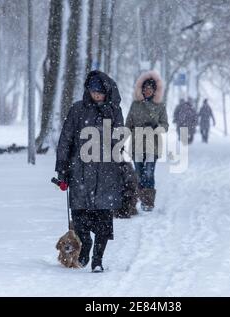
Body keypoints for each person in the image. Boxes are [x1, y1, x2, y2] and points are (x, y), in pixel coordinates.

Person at [55, 71, 124, 273]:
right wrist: (62, 168)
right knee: (80, 218)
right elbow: (66, 139)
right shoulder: (77, 109)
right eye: (93, 92)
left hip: (106, 174)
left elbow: (119, 139)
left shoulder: (114, 111)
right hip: (80, 172)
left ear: (107, 92)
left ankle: (98, 259)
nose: (96, 96)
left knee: (103, 220)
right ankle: (85, 249)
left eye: (100, 93)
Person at [125, 71, 168, 211]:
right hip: (137, 143)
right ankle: (137, 200)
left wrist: (156, 128)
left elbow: (165, 126)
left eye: (150, 89)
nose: (147, 91)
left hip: (152, 144)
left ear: (154, 90)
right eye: (145, 89)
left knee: (149, 173)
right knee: (138, 173)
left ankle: (148, 202)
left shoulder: (160, 106)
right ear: (141, 90)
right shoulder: (135, 105)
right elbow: (128, 124)